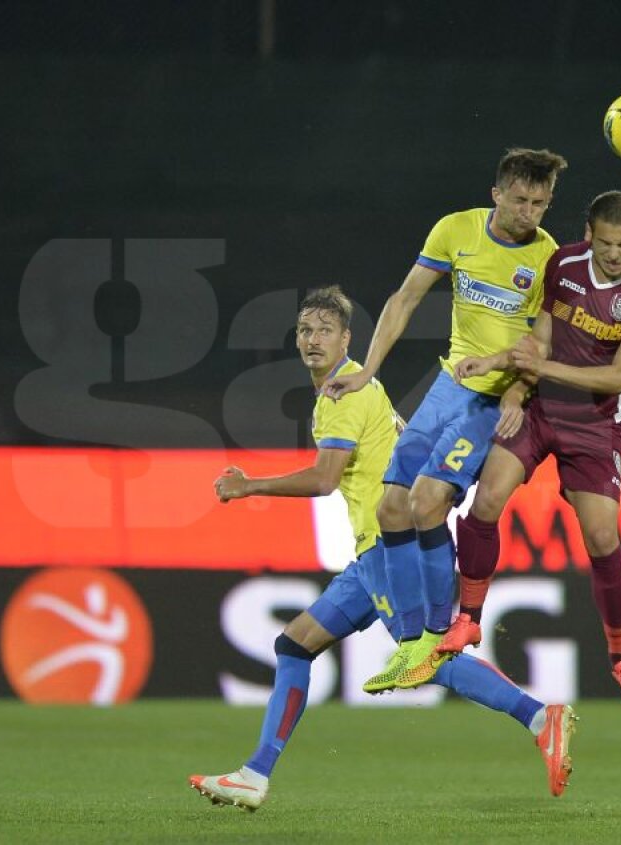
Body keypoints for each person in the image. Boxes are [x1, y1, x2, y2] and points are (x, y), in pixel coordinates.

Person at [188, 285, 576, 810]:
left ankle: (538, 716)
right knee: (295, 644)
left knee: (425, 656)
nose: (313, 339)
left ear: (347, 338)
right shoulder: (354, 389)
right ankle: (255, 775)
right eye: (305, 330)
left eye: (325, 330)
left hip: (391, 550)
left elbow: (326, 479)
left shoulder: (341, 395)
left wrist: (249, 485)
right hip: (378, 552)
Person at [323, 148, 569, 692]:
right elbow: (405, 297)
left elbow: (543, 340)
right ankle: (412, 644)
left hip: (493, 400)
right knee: (391, 507)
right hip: (448, 385)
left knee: (427, 500)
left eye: (542, 203)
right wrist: (366, 372)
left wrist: (521, 390)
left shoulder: (548, 259)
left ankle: (437, 633)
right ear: (497, 194)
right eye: (522, 200)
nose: (531, 212)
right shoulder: (455, 231)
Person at [431, 191, 621, 711]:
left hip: (593, 424)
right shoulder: (563, 262)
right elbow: (541, 337)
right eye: (605, 243)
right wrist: (519, 388)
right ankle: (469, 620)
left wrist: (537, 372)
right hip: (540, 409)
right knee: (486, 501)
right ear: (589, 235)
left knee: (601, 534)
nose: (613, 254)